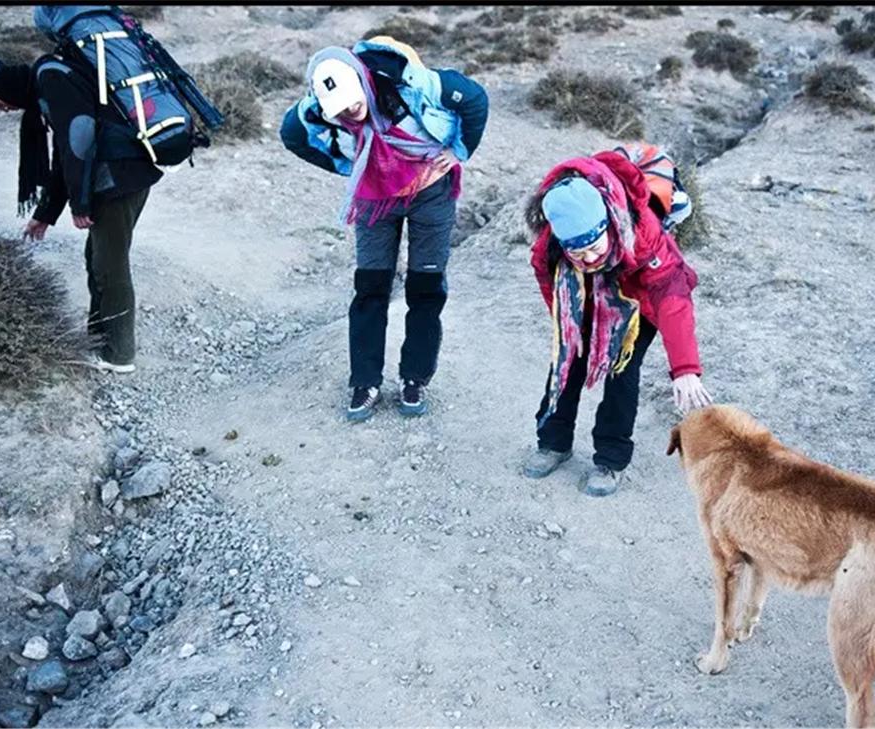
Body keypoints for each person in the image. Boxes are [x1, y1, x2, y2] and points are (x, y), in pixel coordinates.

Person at [280, 37, 488, 421]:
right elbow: (292, 135)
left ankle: (415, 378)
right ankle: (365, 381)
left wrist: (459, 150)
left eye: (355, 104)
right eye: (341, 112)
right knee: (370, 287)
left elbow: (474, 99)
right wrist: (347, 166)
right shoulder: (317, 108)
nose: (352, 115)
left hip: (431, 191)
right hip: (375, 197)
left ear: (362, 82)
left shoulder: (408, 80)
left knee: (425, 288)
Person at [521, 148, 712, 496]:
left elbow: (672, 298)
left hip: (637, 302)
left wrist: (685, 368)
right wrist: (568, 326)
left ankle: (611, 459)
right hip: (585, 298)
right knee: (567, 362)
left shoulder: (644, 235)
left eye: (595, 247)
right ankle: (553, 443)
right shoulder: (549, 246)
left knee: (622, 370)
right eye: (577, 254)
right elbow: (548, 282)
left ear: (609, 223)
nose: (589, 258)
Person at [0, 55, 162, 373]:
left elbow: (78, 140)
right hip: (121, 175)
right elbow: (63, 157)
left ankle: (119, 355)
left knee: (110, 265)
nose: (3, 110)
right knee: (97, 260)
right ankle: (100, 341)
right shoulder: (45, 82)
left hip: (120, 179)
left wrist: (80, 206)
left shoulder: (51, 80)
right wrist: (45, 214)